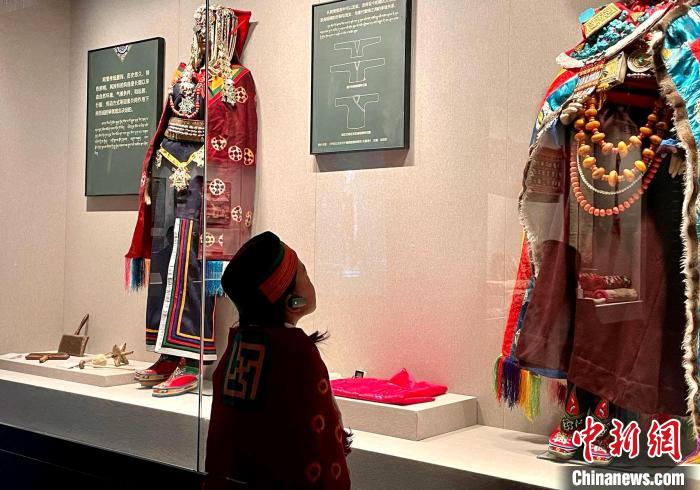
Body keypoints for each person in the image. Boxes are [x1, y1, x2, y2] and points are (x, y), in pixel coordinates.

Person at [204, 231, 351, 489]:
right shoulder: (297, 353)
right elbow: (318, 444)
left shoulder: (239, 344)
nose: (309, 279)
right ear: (293, 302)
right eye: (304, 273)